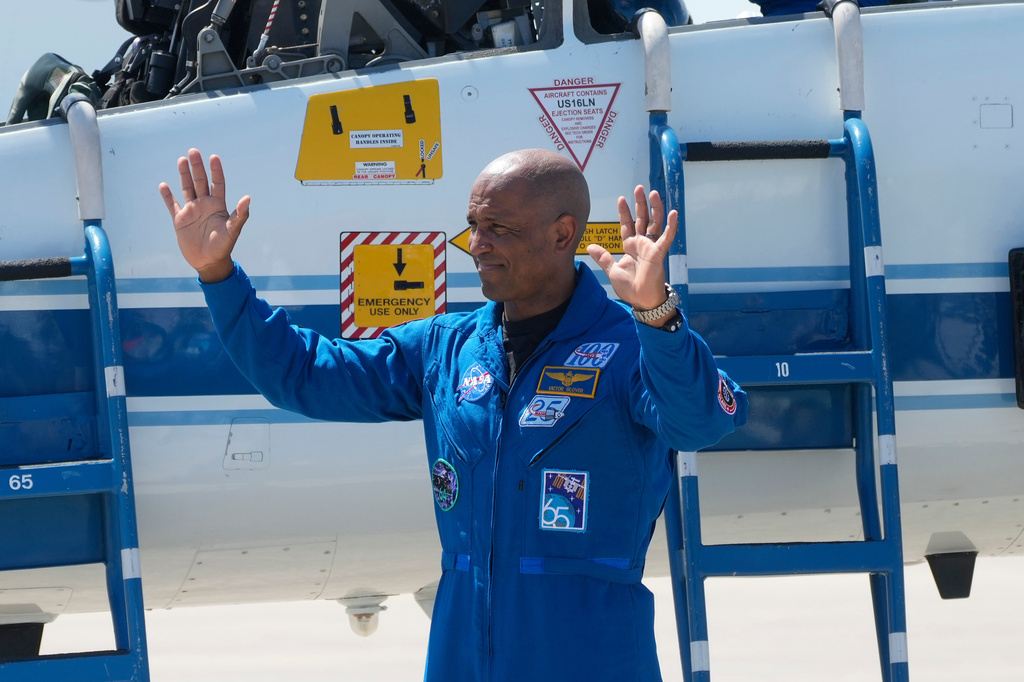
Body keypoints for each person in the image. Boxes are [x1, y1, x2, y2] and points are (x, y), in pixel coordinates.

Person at [159, 147, 747, 681]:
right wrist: (218, 276)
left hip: (591, 656)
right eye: (473, 225)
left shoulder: (628, 348)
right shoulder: (446, 347)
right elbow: (304, 375)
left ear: (563, 233)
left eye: (499, 228)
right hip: (462, 657)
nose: (477, 243)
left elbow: (699, 421)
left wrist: (658, 317)